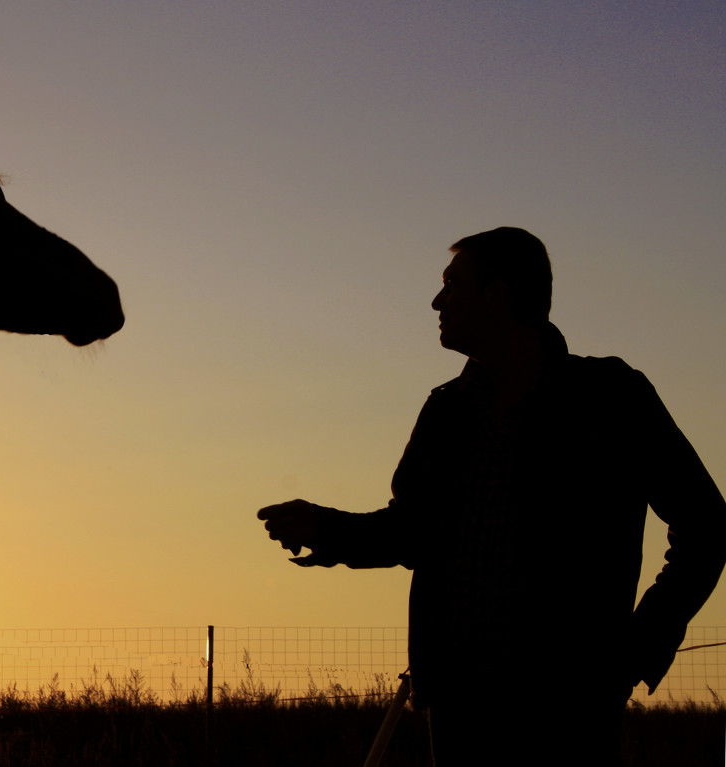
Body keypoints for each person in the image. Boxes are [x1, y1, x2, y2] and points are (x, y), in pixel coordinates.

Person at [258, 227, 726, 766]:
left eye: (452, 284)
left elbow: (706, 528)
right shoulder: (446, 411)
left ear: (497, 295)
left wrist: (638, 647)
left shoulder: (612, 398)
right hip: (461, 704)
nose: (437, 301)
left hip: (569, 706)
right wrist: (327, 528)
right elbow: (412, 531)